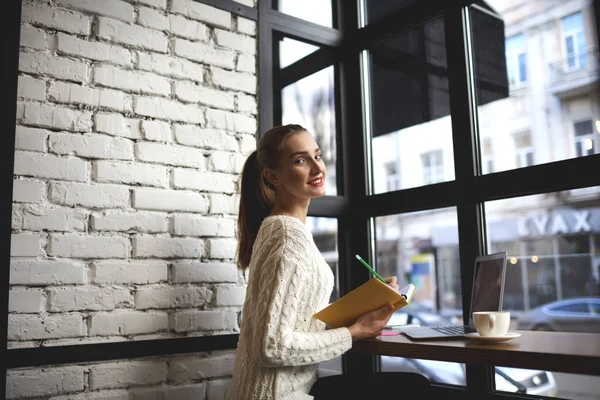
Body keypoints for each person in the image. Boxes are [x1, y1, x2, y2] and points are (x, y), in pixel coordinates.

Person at [227, 125, 408, 400]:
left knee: (407, 386)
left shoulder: (283, 229)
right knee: (411, 388)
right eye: (300, 160)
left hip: (292, 391)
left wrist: (366, 307)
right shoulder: (288, 235)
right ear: (272, 176)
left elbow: (294, 324)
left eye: (318, 156)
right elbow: (272, 346)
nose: (316, 167)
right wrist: (354, 332)